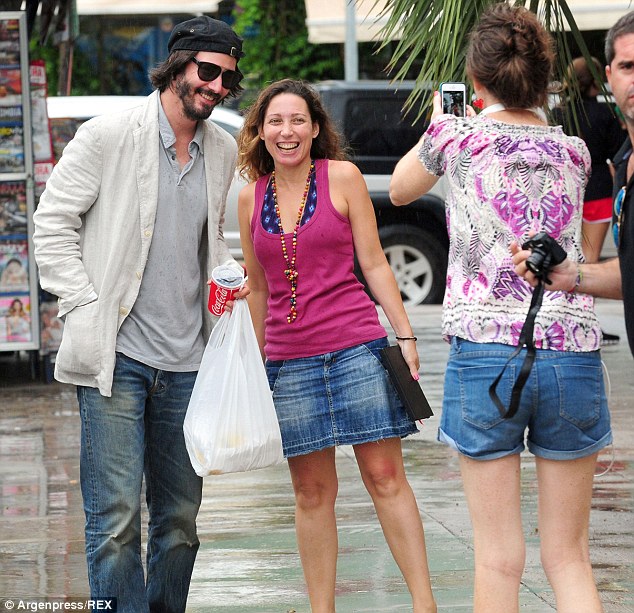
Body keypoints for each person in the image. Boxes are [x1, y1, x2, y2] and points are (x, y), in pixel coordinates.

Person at [390, 5, 610, 613]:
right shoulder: (574, 152)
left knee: (497, 558)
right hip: (571, 350)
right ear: (544, 79)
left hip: (486, 355)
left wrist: (440, 123)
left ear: (476, 80)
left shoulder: (454, 137)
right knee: (569, 556)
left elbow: (404, 189)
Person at [32, 16, 247, 613]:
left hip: (188, 362)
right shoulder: (109, 135)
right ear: (177, 65)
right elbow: (52, 225)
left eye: (228, 79)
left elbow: (212, 238)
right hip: (117, 359)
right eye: (208, 72)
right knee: (116, 521)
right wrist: (83, 304)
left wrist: (227, 281)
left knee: (179, 522)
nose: (217, 87)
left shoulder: (222, 148)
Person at [236, 79, 436, 613]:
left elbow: (374, 263)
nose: (287, 131)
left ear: (316, 127)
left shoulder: (342, 177)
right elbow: (257, 286)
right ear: (259, 132)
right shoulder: (249, 196)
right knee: (311, 494)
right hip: (287, 360)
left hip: (356, 349)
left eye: (298, 120)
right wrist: (253, 366)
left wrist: (406, 334)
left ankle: (424, 604)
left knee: (384, 477)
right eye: (275, 121)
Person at [514, 10, 634, 360]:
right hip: (601, 190)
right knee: (589, 258)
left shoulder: (560, 113)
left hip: (576, 192)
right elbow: (625, 270)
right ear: (607, 77)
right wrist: (572, 275)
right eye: (628, 66)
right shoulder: (618, 143)